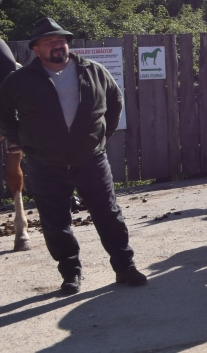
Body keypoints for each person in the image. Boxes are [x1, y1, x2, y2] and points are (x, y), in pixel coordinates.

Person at [0, 17, 147, 295]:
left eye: (61, 40)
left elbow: (115, 102)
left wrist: (103, 136)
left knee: (109, 215)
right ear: (36, 49)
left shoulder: (92, 71)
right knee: (55, 222)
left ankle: (125, 267)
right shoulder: (19, 81)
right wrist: (22, 141)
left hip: (90, 159)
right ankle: (70, 274)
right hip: (44, 164)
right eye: (49, 42)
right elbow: (4, 113)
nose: (57, 45)